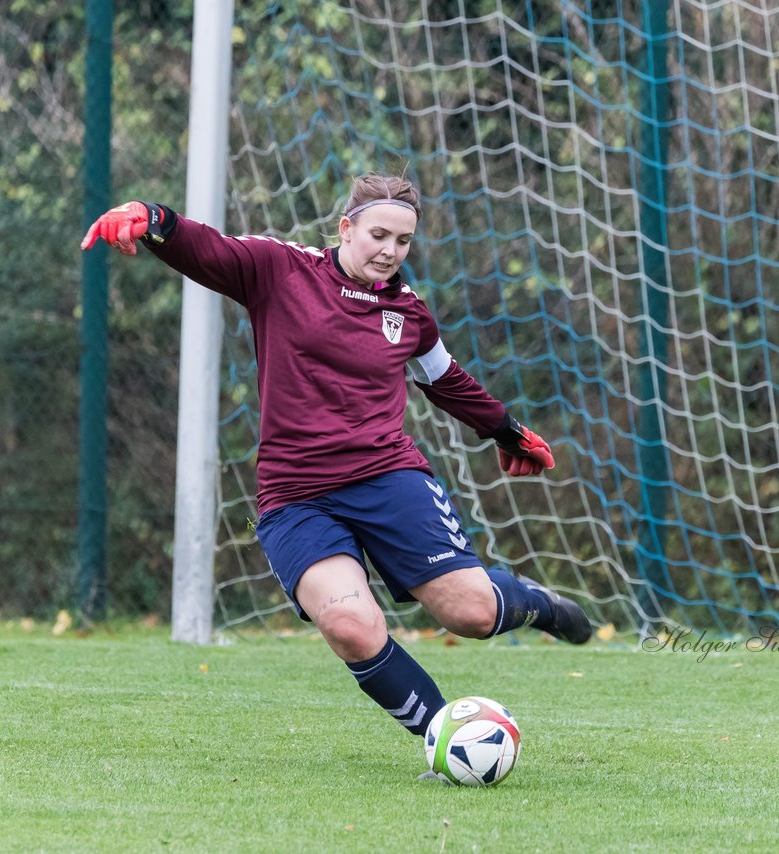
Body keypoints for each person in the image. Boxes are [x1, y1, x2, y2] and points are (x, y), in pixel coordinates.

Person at [80, 174, 592, 751]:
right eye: (378, 235)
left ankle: (539, 604)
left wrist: (507, 430)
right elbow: (209, 250)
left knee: (470, 615)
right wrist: (154, 219)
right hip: (295, 496)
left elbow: (445, 380)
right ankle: (447, 740)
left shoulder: (409, 313)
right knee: (351, 625)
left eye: (403, 242)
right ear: (346, 228)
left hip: (388, 478)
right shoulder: (282, 270)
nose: (389, 252)